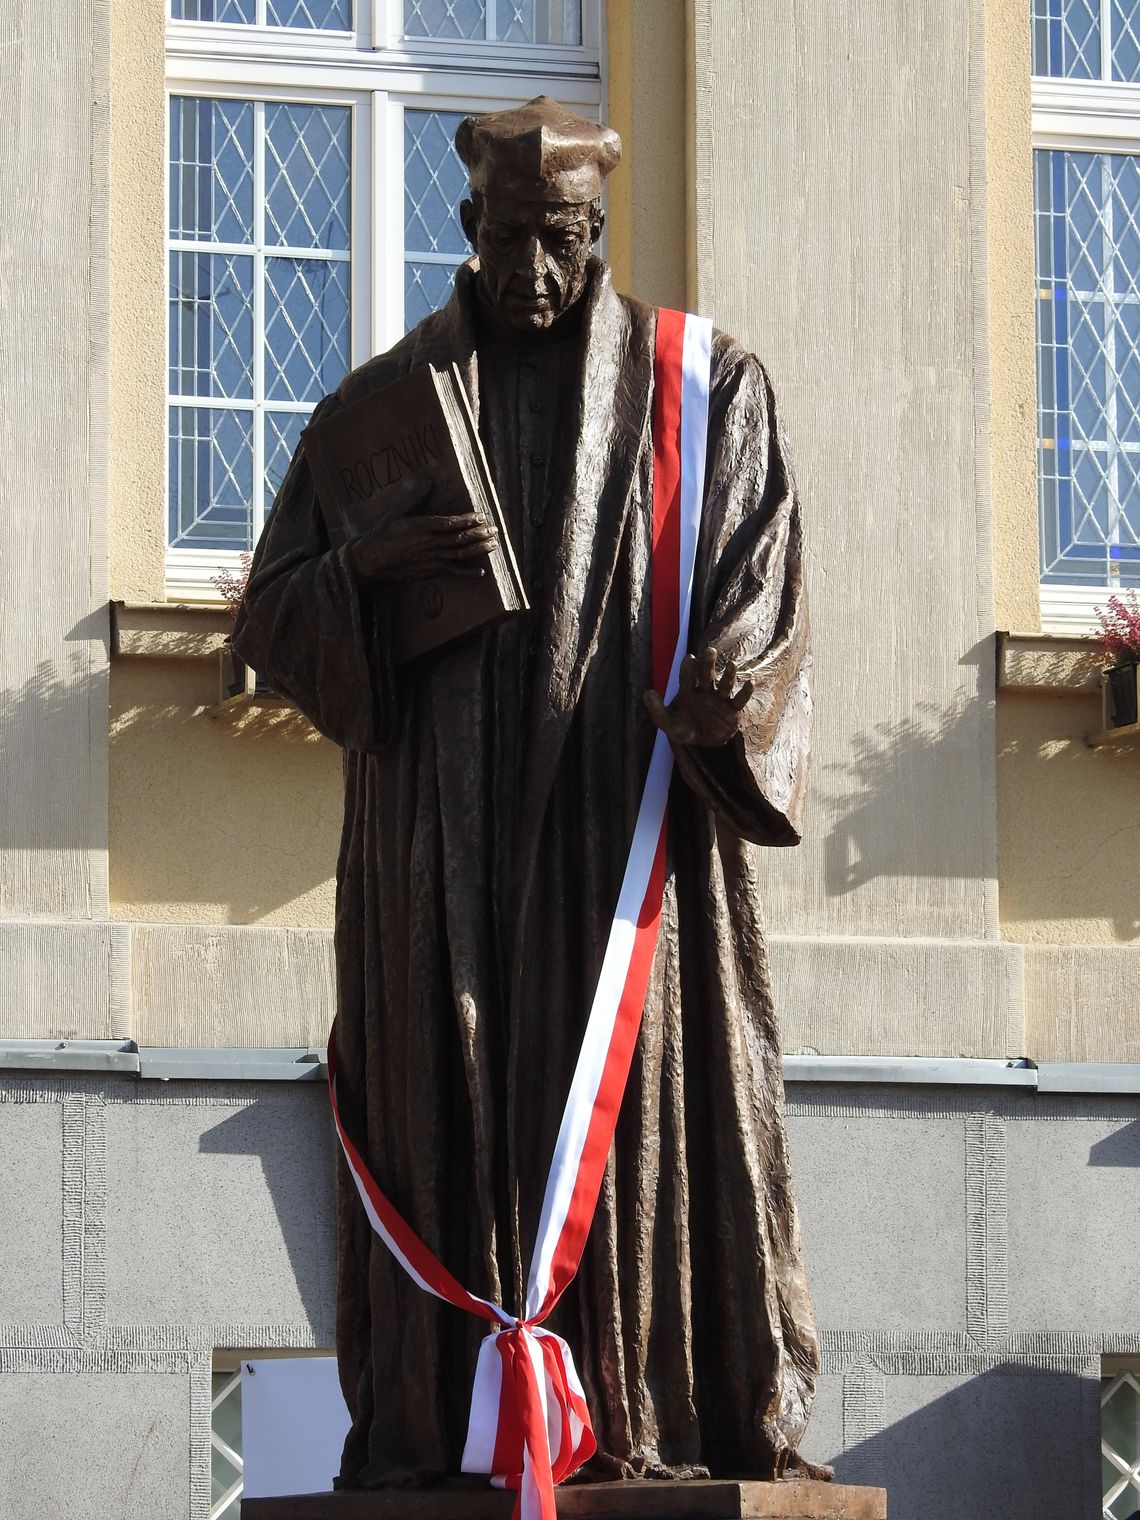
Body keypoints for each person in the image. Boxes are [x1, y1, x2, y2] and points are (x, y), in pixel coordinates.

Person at [233, 94, 823, 1488]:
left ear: (600, 232)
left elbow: (765, 583)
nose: (538, 270)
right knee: (445, 1115)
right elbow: (269, 619)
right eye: (512, 239)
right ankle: (443, 1428)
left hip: (628, 836)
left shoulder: (705, 387)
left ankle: (655, 1413)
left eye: (564, 241)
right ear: (466, 230)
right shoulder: (377, 413)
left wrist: (725, 694)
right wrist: (365, 578)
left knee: (647, 1128)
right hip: (438, 850)